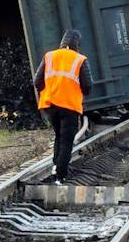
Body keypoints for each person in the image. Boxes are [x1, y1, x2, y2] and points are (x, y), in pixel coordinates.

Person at [33, 29, 93, 184]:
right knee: (67, 140)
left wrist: (48, 90)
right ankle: (60, 175)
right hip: (70, 106)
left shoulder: (50, 56)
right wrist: (80, 93)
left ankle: (56, 165)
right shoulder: (80, 59)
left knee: (59, 135)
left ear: (63, 41)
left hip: (50, 105)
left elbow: (36, 81)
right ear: (77, 44)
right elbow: (87, 85)